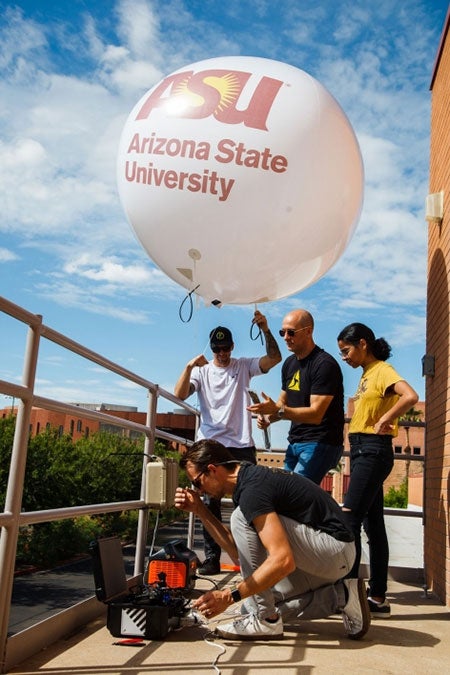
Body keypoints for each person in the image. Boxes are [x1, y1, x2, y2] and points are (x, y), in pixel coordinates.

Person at [174, 439, 371, 641]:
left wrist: (227, 595)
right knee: (250, 603)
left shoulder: (252, 490)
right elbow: (237, 553)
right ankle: (342, 596)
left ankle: (265, 620)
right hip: (325, 556)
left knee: (240, 519)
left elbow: (283, 560)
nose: (198, 490)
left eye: (196, 482)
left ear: (212, 470)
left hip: (334, 551)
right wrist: (199, 510)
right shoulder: (247, 480)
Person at [174, 310, 281, 575]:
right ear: (212, 349)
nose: (221, 353)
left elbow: (275, 358)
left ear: (232, 347)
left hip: (240, 444)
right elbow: (179, 395)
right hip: (208, 446)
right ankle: (212, 557)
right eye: (217, 349)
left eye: (225, 348)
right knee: (208, 504)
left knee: (248, 502)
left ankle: (252, 556)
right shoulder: (202, 372)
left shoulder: (243, 366)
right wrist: (189, 367)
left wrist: (266, 329)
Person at [337, 322, 419, 618]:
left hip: (373, 450)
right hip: (362, 450)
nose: (344, 357)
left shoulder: (382, 370)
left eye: (346, 350)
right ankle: (378, 598)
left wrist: (387, 417)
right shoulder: (366, 375)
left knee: (348, 520)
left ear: (362, 344)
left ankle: (350, 594)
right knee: (373, 525)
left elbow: (410, 395)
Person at [248, 309, 344, 484]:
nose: (285, 337)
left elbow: (315, 415)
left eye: (291, 332)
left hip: (320, 442)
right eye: (282, 332)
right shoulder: (290, 364)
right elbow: (283, 402)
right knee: (287, 494)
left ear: (308, 331)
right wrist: (269, 417)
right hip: (295, 443)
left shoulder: (324, 365)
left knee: (293, 495)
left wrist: (277, 410)